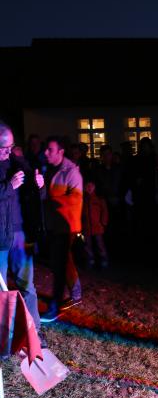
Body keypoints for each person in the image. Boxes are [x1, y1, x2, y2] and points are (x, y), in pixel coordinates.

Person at [0, 122, 47, 347]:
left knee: (27, 285)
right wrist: (8, 186)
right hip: (0, 237)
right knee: (1, 290)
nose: (7, 152)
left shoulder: (18, 164)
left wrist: (39, 186)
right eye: (3, 148)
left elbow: (33, 197)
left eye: (10, 147)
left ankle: (34, 333)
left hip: (19, 234)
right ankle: (4, 339)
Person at [41, 136, 83, 322]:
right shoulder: (49, 169)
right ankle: (75, 294)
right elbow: (44, 195)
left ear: (61, 152)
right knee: (63, 262)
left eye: (50, 149)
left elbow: (75, 200)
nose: (45, 152)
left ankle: (55, 307)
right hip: (54, 225)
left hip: (67, 226)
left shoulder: (71, 172)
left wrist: (49, 200)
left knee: (60, 264)